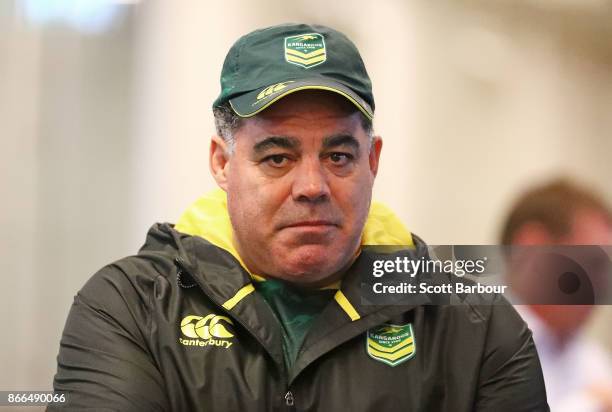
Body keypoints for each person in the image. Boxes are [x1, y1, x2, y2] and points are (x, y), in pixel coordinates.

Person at [50, 23, 548, 411]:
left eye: (338, 157)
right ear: (222, 164)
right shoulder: (131, 309)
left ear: (371, 162)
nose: (312, 187)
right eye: (277, 158)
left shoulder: (473, 325)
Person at [501, 178, 612, 412]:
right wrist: (591, 404)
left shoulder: (593, 362)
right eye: (593, 263)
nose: (602, 285)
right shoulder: (464, 345)